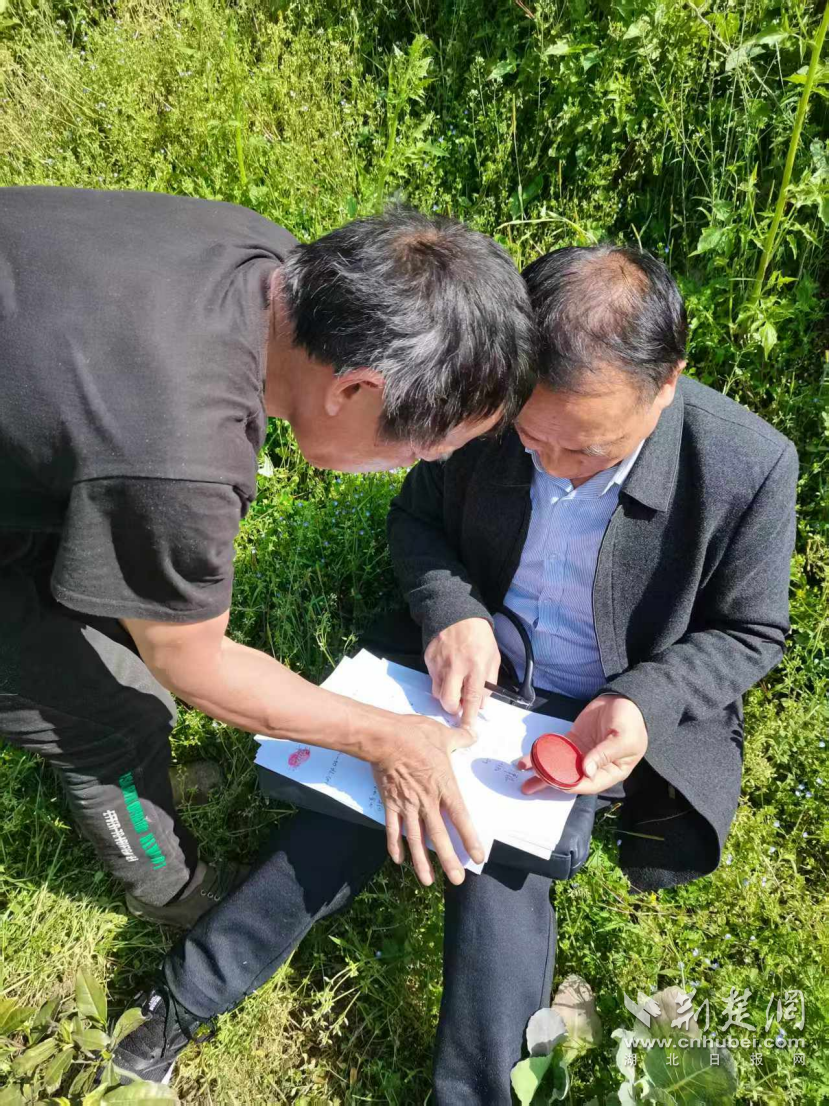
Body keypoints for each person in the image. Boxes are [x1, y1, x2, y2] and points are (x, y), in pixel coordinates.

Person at [109, 244, 797, 1100]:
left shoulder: (745, 464)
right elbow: (417, 524)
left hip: (590, 712)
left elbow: (750, 630)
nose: (554, 467)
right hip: (460, 684)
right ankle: (180, 1003)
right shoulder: (485, 403)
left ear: (665, 385)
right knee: (339, 822)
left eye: (588, 450)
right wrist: (453, 613)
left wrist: (640, 700)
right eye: (533, 439)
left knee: (497, 881)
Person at [0, 188, 537, 930]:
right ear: (355, 388)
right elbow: (193, 665)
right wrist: (386, 737)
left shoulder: (265, 260)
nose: (407, 468)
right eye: (417, 449)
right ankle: (169, 890)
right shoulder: (178, 458)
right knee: (120, 712)